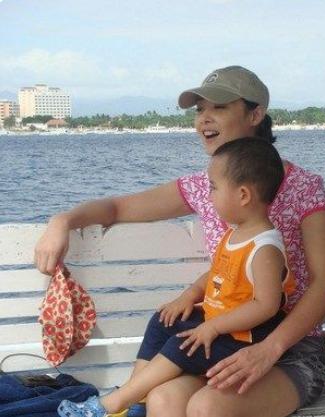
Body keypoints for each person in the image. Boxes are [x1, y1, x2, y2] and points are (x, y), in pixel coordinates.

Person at [35, 65, 325, 417]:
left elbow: (324, 286)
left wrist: (269, 349)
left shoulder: (303, 187)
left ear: (255, 114)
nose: (204, 119)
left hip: (289, 350)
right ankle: (123, 407)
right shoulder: (204, 187)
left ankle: (114, 405)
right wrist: (63, 220)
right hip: (223, 340)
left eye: (219, 107)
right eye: (199, 109)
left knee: (208, 406)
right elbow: (117, 208)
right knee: (163, 399)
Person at [56, 138, 295, 417]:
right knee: (164, 321)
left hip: (246, 339)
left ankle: (112, 404)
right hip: (222, 324)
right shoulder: (237, 233)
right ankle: (138, 400)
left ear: (243, 195)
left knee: (183, 345)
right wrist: (188, 296)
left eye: (214, 188)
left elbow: (266, 305)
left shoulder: (265, 247)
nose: (209, 196)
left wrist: (213, 327)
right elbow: (218, 273)